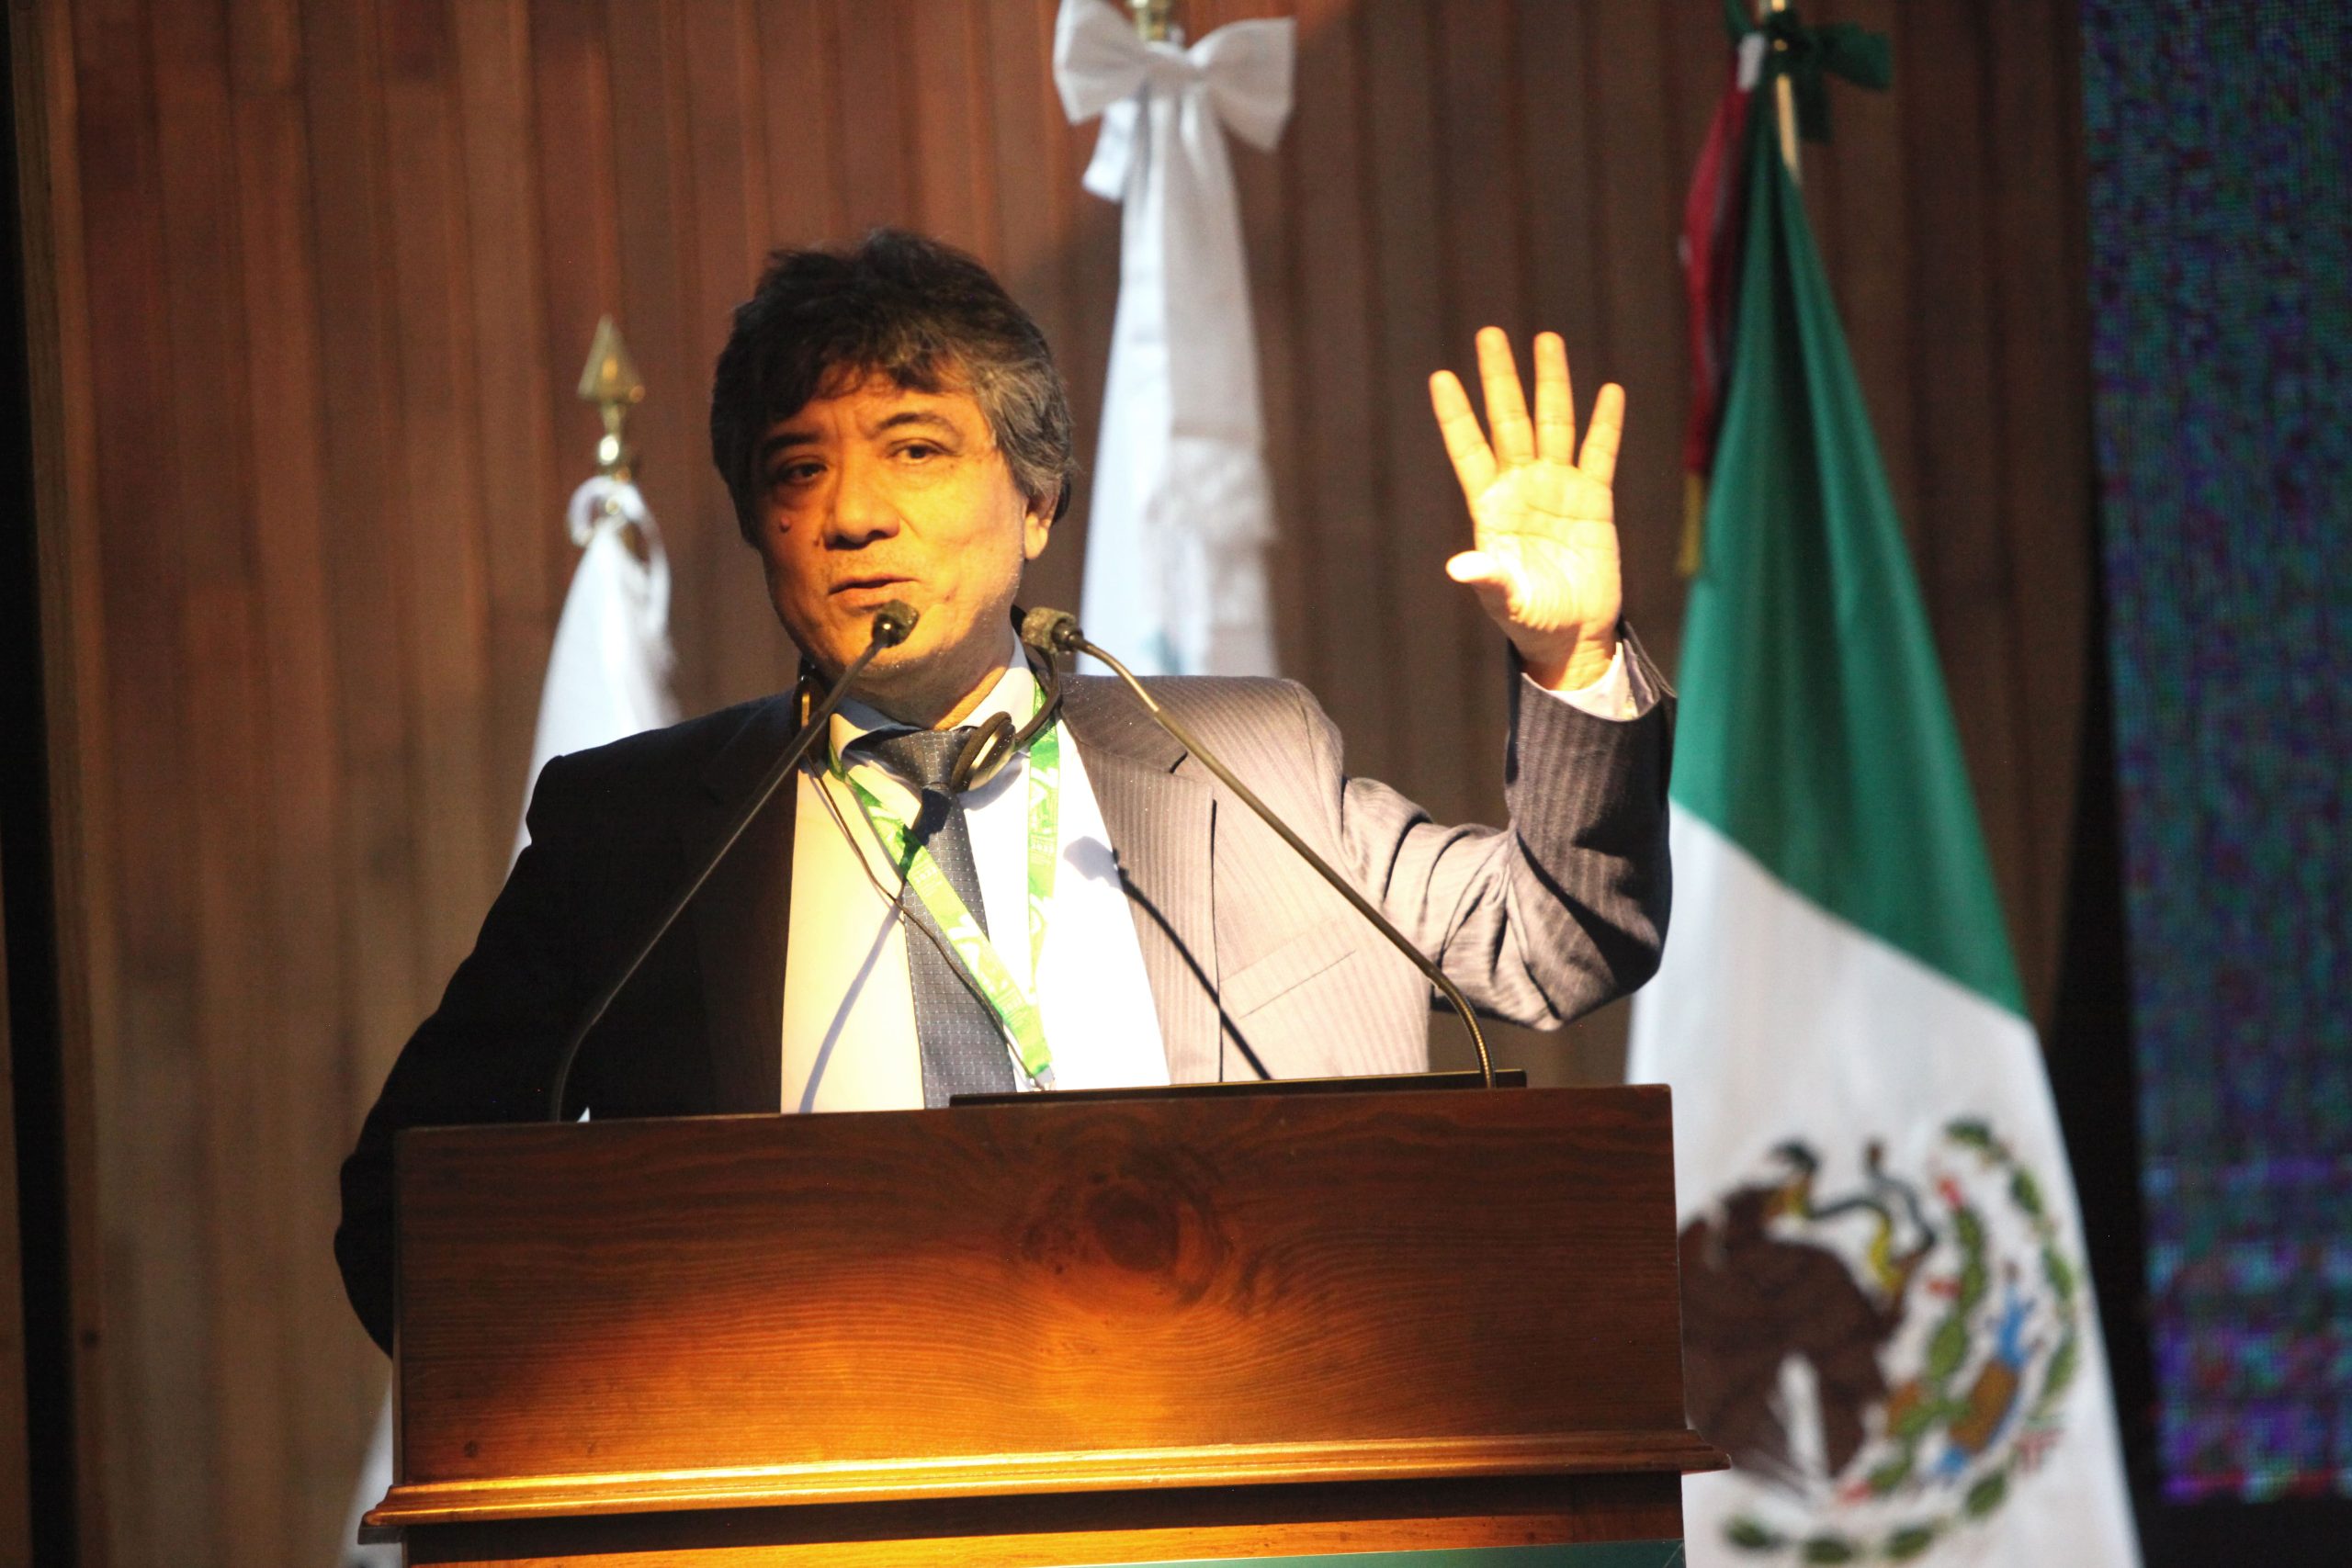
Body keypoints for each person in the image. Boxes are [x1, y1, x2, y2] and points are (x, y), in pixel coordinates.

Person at [334, 230, 1673, 1353]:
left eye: (915, 449)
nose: (852, 513)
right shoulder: (637, 838)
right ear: (760, 526)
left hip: (1242, 1472)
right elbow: (410, 1217)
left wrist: (1574, 661)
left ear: (1037, 499)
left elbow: (1556, 941)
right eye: (798, 469)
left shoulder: (1244, 760)